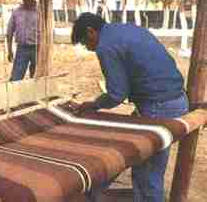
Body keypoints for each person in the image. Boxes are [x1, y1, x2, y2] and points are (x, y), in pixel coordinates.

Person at [70, 12, 189, 202]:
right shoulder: (127, 29)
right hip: (177, 99)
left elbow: (117, 94)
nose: (89, 48)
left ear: (91, 32)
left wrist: (93, 105)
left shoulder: (105, 46)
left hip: (158, 106)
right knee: (134, 157)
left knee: (146, 175)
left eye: (86, 43)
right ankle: (90, 194)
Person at [6, 0, 39, 81]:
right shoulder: (17, 12)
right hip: (22, 49)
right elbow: (9, 32)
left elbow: (48, 33)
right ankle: (14, 95)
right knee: (16, 78)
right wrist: (9, 50)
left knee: (37, 78)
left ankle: (35, 95)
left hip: (38, 48)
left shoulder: (41, 11)